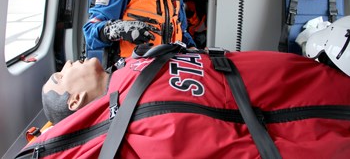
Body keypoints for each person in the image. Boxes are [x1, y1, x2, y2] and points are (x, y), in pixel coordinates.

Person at [38, 44, 350, 158]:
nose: (67, 65)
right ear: (75, 100)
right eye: (60, 76)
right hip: (297, 124)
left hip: (289, 81)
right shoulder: (130, 136)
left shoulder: (131, 67)